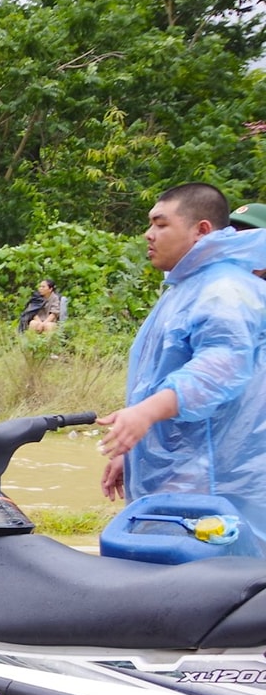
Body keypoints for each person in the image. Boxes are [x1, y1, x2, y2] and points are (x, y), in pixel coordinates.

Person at [101, 181, 266, 551]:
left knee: (217, 591)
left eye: (161, 224)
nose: (149, 234)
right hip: (178, 475)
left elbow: (218, 368)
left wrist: (144, 414)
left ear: (201, 230)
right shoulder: (185, 290)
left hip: (214, 481)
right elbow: (155, 380)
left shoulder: (226, 290)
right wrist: (135, 445)